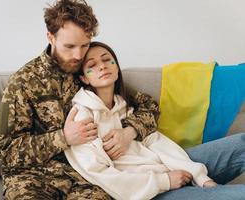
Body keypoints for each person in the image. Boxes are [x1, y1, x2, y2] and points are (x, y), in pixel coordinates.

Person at [0, 0, 159, 199]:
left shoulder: (91, 71)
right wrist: (63, 137)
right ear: (50, 37)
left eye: (84, 45)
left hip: (84, 176)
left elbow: (150, 107)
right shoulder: (23, 82)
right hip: (32, 177)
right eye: (69, 46)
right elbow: (4, 150)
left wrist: (128, 132)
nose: (78, 55)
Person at [65, 41, 219, 200]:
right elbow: (99, 173)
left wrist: (200, 177)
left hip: (170, 171)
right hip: (148, 191)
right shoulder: (82, 117)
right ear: (84, 78)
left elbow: (156, 141)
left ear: (116, 67)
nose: (102, 66)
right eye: (92, 65)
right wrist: (164, 181)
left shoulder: (126, 107)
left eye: (106, 60)